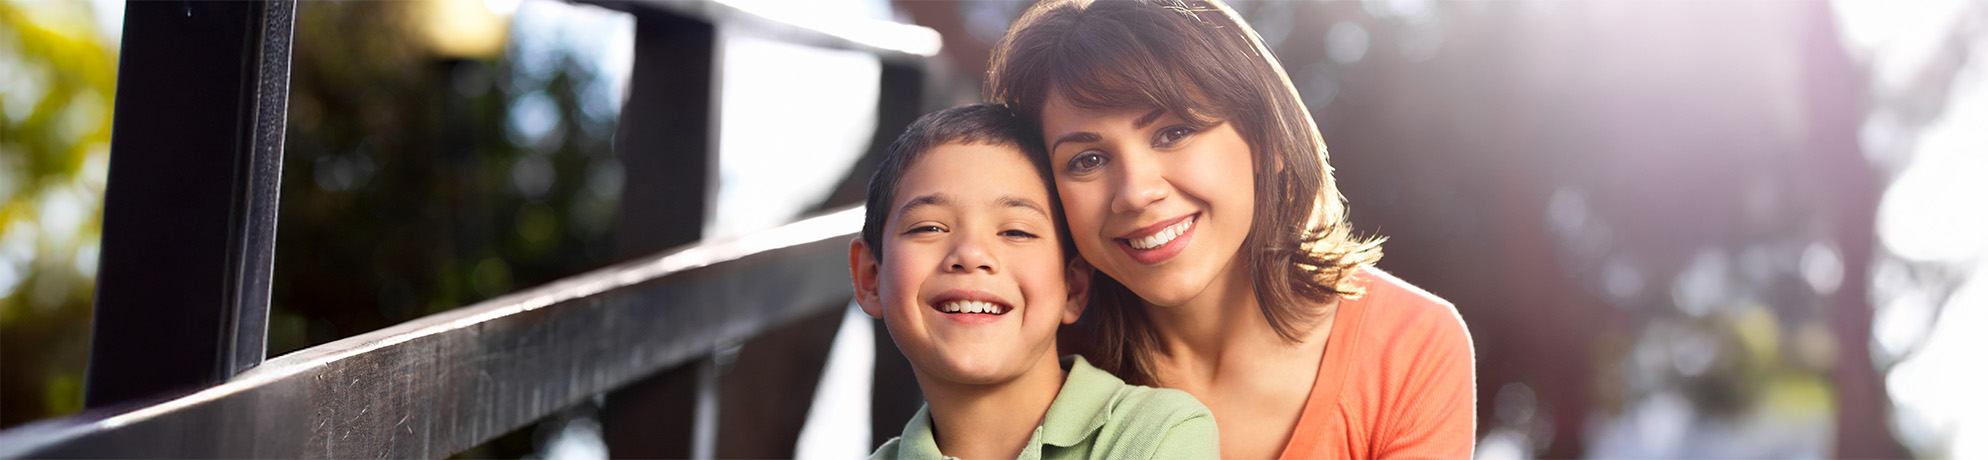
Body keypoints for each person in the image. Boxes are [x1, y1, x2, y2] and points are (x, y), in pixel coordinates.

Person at [987, 1, 1477, 458]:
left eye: (1173, 133)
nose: (1135, 192)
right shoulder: (1038, 359)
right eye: (1087, 160)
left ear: (1264, 138)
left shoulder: (1409, 346)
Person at [849, 103, 1219, 459]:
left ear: (1072, 287)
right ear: (869, 276)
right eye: (929, 227)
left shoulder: (1159, 433)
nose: (972, 255)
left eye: (1016, 232)